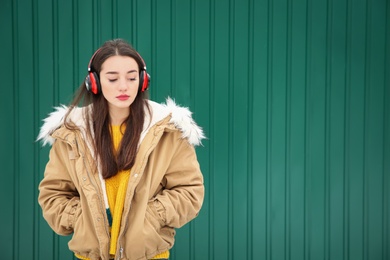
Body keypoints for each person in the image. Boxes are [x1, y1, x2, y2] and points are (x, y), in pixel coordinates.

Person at [37, 38, 205, 260]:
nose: (124, 86)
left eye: (132, 78)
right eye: (113, 78)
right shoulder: (71, 133)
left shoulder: (167, 131)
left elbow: (190, 191)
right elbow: (53, 195)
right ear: (94, 82)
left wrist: (151, 215)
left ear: (143, 81)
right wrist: (82, 217)